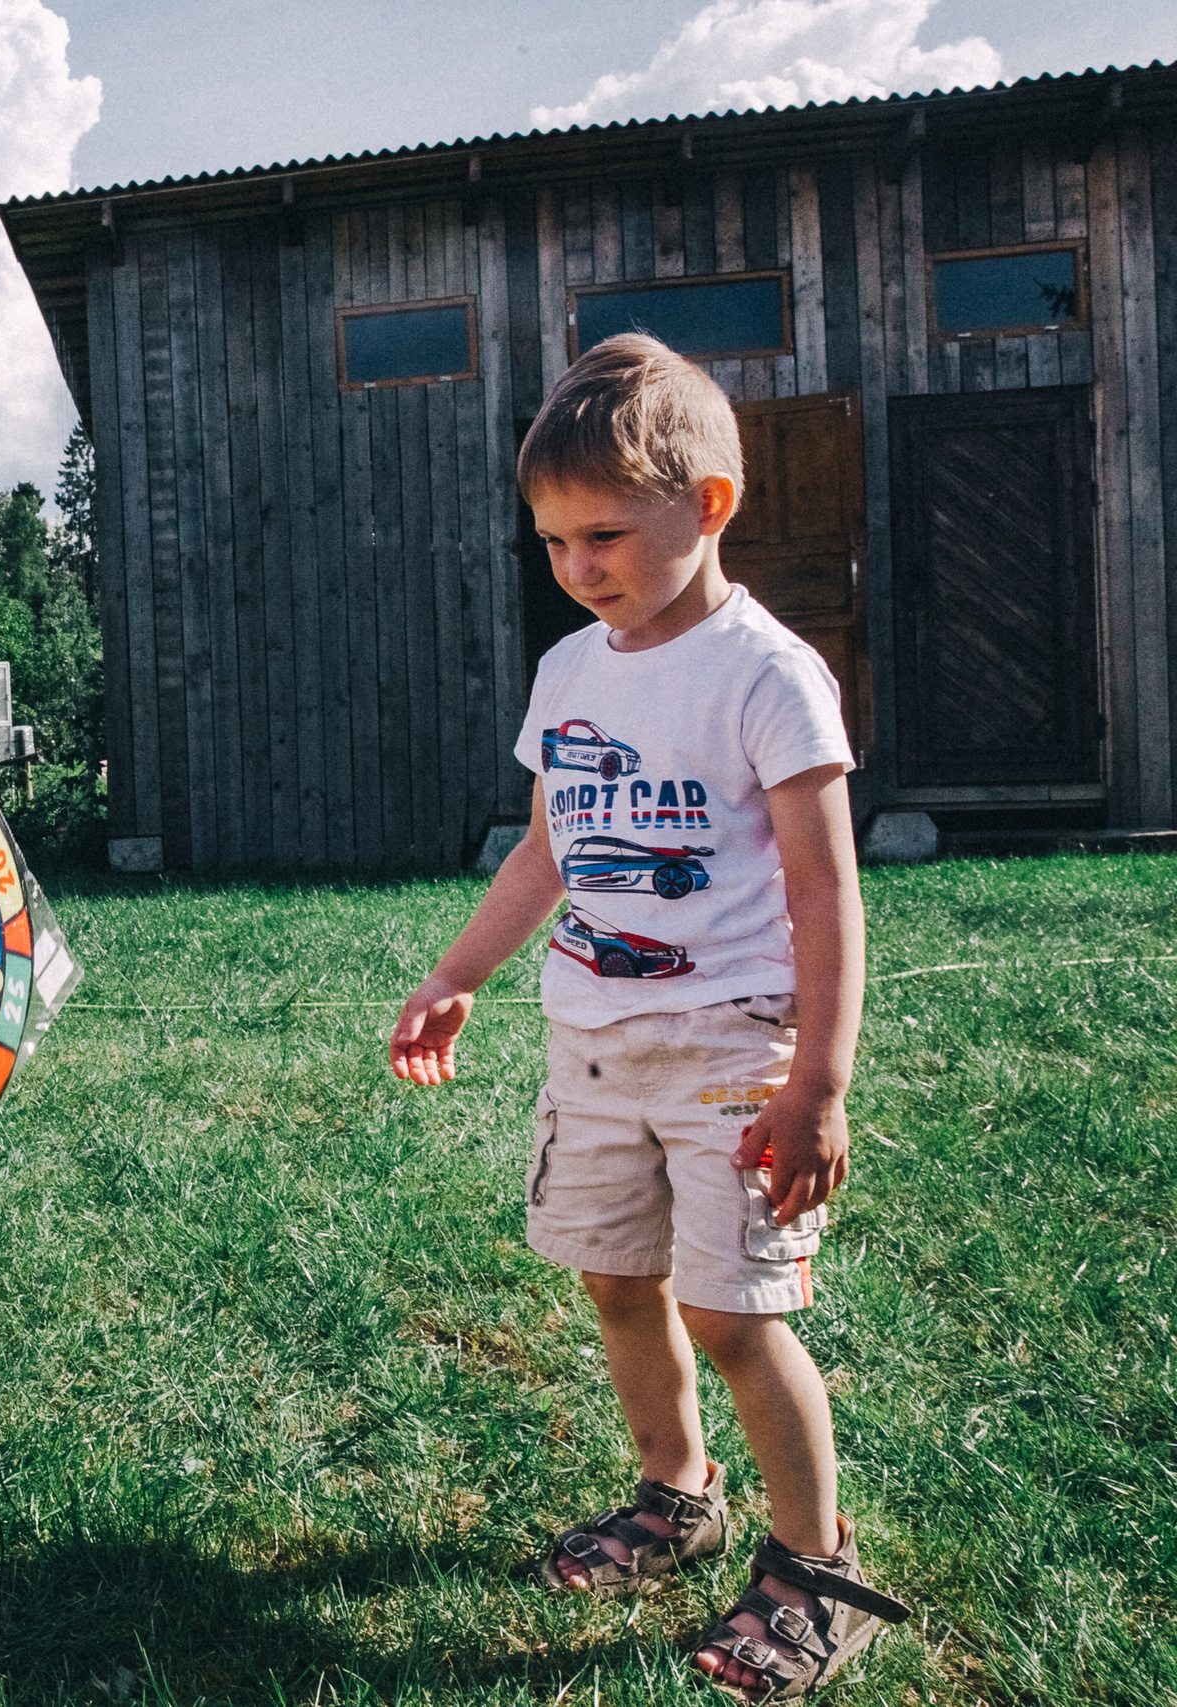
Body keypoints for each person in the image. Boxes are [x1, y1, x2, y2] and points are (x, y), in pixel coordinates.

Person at [388, 335, 908, 1700]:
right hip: (595, 1045)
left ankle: (817, 1566)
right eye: (555, 538)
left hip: (738, 1051)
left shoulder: (766, 674)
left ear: (712, 505)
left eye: (607, 531)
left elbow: (824, 887)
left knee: (735, 1310)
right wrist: (458, 974)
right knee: (617, 1282)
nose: (579, 563)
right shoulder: (572, 674)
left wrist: (821, 1082)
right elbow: (547, 850)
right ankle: (676, 1490)